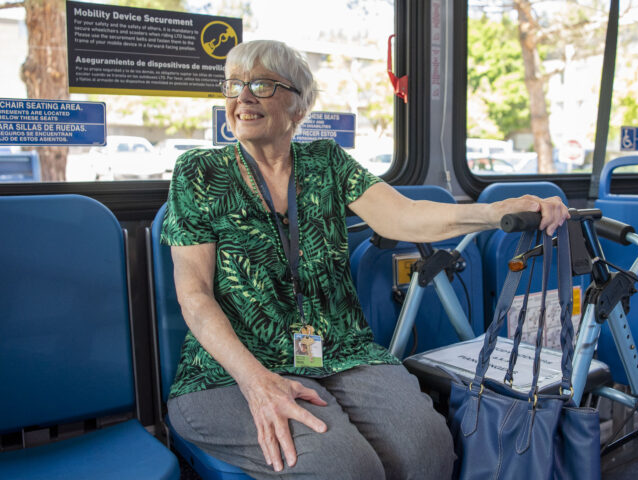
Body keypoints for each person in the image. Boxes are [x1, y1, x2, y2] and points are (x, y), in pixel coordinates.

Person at [162, 39, 569, 480]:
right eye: (234, 85)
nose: (242, 97)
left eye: (260, 85)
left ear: (298, 106)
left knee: (428, 449)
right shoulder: (199, 172)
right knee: (345, 468)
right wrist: (257, 383)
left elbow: (405, 216)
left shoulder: (327, 162)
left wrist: (494, 212)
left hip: (338, 349)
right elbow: (195, 295)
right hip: (231, 369)